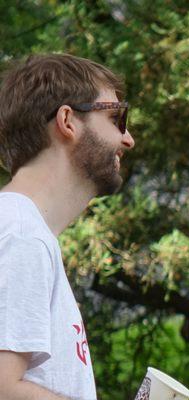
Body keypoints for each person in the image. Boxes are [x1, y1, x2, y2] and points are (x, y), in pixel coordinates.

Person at [0, 53, 135, 399]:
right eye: (116, 118)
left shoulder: (22, 229)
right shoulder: (22, 234)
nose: (128, 139)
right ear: (68, 121)